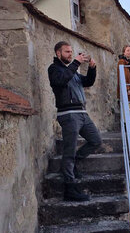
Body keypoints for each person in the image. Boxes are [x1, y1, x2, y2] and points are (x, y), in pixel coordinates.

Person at [48, 41, 102, 202]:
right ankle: (69, 188)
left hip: (82, 113)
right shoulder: (54, 69)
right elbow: (60, 81)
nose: (70, 55)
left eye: (71, 52)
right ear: (58, 53)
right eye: (67, 52)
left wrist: (92, 68)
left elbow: (88, 82)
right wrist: (77, 63)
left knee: (96, 140)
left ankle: (75, 164)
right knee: (69, 150)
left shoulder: (73, 71)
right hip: (68, 114)